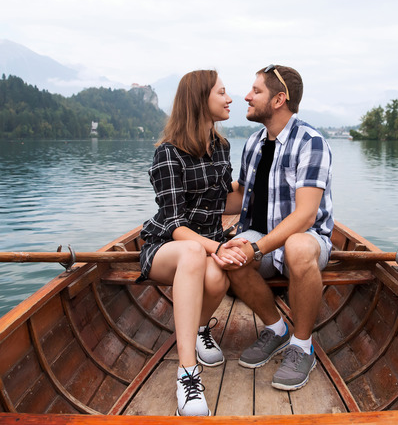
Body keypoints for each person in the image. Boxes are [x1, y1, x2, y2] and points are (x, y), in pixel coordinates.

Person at [218, 64, 333, 391]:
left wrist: (257, 248)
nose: (246, 96)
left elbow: (306, 215)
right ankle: (277, 328)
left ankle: (301, 345)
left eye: (256, 91)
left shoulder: (310, 141)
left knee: (296, 246)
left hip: (310, 239)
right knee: (231, 252)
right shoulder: (254, 143)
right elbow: (241, 196)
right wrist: (189, 202)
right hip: (264, 235)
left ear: (279, 99)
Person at [138, 70, 247, 416]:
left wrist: (271, 193)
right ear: (201, 100)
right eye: (223, 92)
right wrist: (215, 247)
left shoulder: (222, 147)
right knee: (193, 251)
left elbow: (225, 201)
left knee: (217, 278)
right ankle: (187, 372)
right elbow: (174, 225)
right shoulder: (168, 154)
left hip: (206, 246)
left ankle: (198, 329)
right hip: (166, 248)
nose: (230, 99)